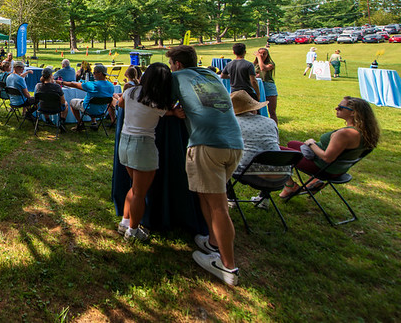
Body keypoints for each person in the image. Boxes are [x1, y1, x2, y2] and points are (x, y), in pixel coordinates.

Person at [166, 45, 243, 286]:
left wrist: (172, 111)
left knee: (219, 206)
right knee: (206, 195)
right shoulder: (211, 75)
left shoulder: (176, 77)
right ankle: (212, 241)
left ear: (177, 64)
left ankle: (228, 267)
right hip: (234, 143)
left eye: (171, 64)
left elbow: (159, 103)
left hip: (206, 145)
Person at [116, 63, 183, 242]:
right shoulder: (158, 104)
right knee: (140, 192)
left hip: (125, 142)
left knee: (134, 187)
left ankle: (125, 222)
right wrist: (175, 112)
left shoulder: (130, 92)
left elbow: (120, 103)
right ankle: (133, 230)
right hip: (143, 146)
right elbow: (167, 112)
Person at [279, 96, 380, 199]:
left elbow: (327, 157)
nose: (336, 109)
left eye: (340, 107)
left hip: (323, 169)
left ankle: (290, 186)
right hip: (338, 169)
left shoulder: (345, 134)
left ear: (353, 113)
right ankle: (314, 181)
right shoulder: (365, 132)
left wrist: (311, 144)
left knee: (275, 151)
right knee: (292, 144)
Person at [229, 90, 286, 209]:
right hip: (281, 174)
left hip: (250, 173)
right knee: (269, 158)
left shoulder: (232, 124)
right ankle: (264, 199)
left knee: (219, 162)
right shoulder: (270, 122)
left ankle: (231, 198)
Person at [62, 64, 115, 132]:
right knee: (91, 100)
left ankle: (80, 123)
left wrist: (62, 82)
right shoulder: (111, 85)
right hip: (102, 110)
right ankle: (94, 122)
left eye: (94, 72)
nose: (93, 74)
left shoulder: (93, 85)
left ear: (100, 74)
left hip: (89, 108)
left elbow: (74, 85)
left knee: (72, 102)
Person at [253, 47, 278, 124]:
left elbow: (263, 68)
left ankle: (275, 129)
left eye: (264, 53)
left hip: (268, 86)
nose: (262, 55)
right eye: (260, 53)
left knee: (272, 111)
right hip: (258, 86)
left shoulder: (271, 64)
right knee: (256, 110)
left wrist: (259, 57)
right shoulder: (254, 64)